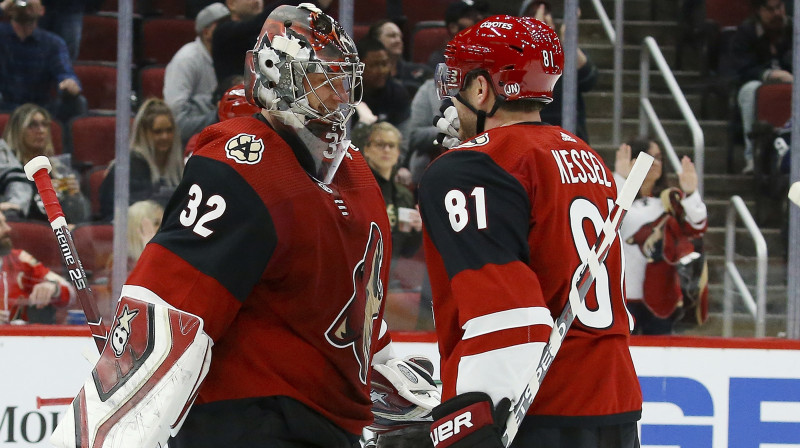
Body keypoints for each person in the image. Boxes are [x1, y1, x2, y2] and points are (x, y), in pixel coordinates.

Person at [50, 4, 437, 448]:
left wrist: (399, 389)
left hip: (327, 430)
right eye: (321, 80)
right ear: (275, 77)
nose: (339, 97)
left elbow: (350, 312)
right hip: (246, 424)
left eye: (344, 81)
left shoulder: (358, 173)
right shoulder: (242, 166)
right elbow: (166, 316)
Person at [418, 15, 642, 447]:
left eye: (461, 83)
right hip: (614, 403)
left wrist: (472, 423)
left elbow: (506, 316)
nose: (454, 99)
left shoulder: (467, 169)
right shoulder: (585, 155)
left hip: (533, 407)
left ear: (482, 89)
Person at [614, 138, 709, 335]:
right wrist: (622, 181)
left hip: (661, 298)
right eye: (648, 158)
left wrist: (691, 193)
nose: (655, 163)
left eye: (658, 158)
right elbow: (608, 219)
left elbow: (697, 227)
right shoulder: (617, 193)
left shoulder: (669, 201)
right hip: (619, 297)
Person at [0, 0, 88, 124]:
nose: (26, 4)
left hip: (40, 106)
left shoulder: (53, 43)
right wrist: (2, 7)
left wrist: (68, 83)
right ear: (10, 10)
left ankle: (67, 141)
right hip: (4, 104)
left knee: (78, 102)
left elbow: (65, 72)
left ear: (42, 11)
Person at [356, 122, 422, 285]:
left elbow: (407, 250)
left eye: (391, 146)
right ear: (367, 149)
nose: (386, 150)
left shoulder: (404, 196)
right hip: (357, 279)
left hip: (387, 281)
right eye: (380, 144)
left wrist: (418, 230)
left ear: (398, 152)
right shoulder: (357, 191)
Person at [523, 0, 598, 143]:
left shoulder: (563, 53)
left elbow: (589, 79)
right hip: (535, 138)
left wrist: (569, 39)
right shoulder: (515, 55)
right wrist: (536, 38)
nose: (542, 18)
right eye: (534, 14)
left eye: (546, 13)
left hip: (570, 137)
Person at [2, 103, 90, 223]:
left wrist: (74, 196)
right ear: (17, 129)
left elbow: (81, 219)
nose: (41, 130)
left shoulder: (58, 168)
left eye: (44, 124)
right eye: (32, 125)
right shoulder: (8, 168)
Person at [732, 0, 792, 174]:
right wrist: (769, 74)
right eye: (770, 9)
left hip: (793, 81)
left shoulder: (793, 29)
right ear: (759, 11)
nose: (776, 14)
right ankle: (752, 157)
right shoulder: (746, 31)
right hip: (755, 82)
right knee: (750, 91)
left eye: (779, 7)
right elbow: (741, 69)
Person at [98, 98, 184, 221]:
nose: (165, 136)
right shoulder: (128, 167)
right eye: (157, 132)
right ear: (143, 133)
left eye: (169, 130)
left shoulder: (179, 167)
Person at [164, 2, 231, 146]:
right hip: (187, 146)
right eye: (223, 25)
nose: (229, 29)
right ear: (206, 32)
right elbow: (175, 122)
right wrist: (219, 114)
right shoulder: (186, 59)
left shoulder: (227, 57)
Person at [0, 210, 74, 325]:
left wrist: (54, 288)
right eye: (0, 225)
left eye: (4, 222)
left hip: (17, 340)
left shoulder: (19, 259)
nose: (7, 229)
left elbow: (70, 292)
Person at [354, 37, 410, 131]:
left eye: (384, 64)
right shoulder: (345, 96)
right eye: (374, 65)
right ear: (358, 68)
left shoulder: (398, 94)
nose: (381, 71)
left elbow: (403, 138)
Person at [367, 19, 432, 97]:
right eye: (392, 36)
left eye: (400, 37)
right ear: (376, 40)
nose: (398, 40)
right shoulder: (370, 76)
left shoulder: (423, 71)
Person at [425, 0, 485, 70]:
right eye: (470, 16)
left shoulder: (490, 54)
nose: (479, 18)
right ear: (453, 27)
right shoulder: (441, 60)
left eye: (479, 14)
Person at [126, 199, 163, 267]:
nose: (162, 228)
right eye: (156, 223)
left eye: (164, 223)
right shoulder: (121, 264)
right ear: (137, 227)